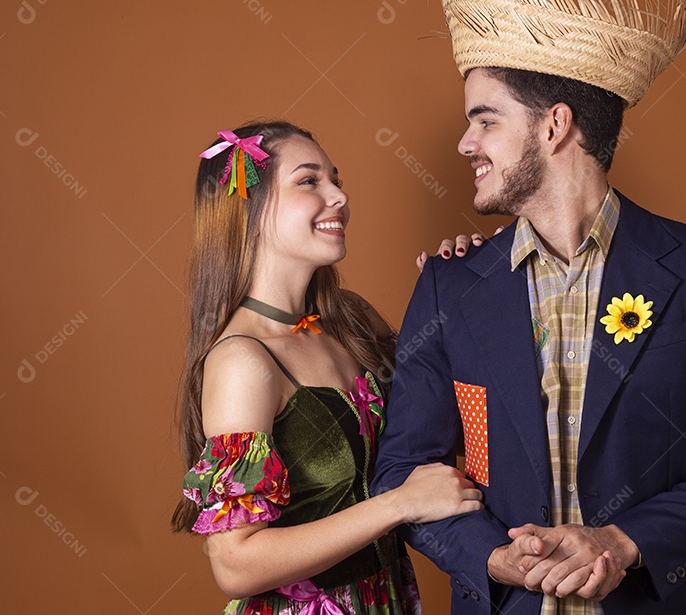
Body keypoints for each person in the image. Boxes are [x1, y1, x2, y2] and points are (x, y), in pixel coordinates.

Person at [371, 0, 686, 614]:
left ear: (554, 127)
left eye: (486, 119)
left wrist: (624, 541)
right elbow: (403, 470)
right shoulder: (448, 284)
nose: (467, 144)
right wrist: (492, 558)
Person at [172, 121, 484, 615]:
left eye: (335, 179)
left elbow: (447, 424)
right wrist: (399, 504)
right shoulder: (243, 360)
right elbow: (235, 565)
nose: (338, 195)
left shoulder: (348, 319)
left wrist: (460, 295)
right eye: (309, 181)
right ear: (250, 210)